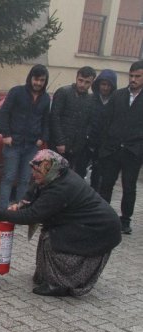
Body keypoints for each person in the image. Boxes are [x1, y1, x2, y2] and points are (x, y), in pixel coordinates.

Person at [0, 150, 121, 297]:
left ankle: (59, 284)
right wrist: (19, 205)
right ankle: (48, 276)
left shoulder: (61, 187)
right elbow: (33, 191)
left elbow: (32, 216)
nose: (34, 175)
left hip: (100, 229)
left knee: (54, 238)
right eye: (34, 171)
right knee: (49, 232)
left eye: (38, 172)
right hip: (87, 223)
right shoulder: (55, 175)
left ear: (49, 170)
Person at [96, 60, 143, 235]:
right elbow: (105, 122)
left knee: (129, 186)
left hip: (133, 151)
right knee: (106, 184)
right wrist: (103, 146)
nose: (133, 79)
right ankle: (103, 216)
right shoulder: (118, 96)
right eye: (131, 75)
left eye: (137, 76)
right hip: (112, 149)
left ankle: (125, 220)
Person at [0, 64, 51, 210]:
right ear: (30, 78)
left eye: (42, 80)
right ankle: (2, 211)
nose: (38, 83)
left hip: (32, 145)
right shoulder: (17, 92)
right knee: (8, 178)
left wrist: (43, 137)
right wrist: (6, 135)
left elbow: (46, 120)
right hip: (13, 143)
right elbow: (4, 114)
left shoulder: (46, 98)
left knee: (25, 180)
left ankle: (20, 212)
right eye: (36, 79)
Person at [50, 66, 96, 178]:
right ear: (76, 78)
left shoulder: (91, 99)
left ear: (91, 83)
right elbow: (54, 118)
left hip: (76, 148)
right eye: (80, 80)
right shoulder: (63, 92)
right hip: (58, 145)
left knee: (67, 179)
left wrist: (84, 139)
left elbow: (89, 122)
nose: (82, 85)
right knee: (52, 178)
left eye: (87, 82)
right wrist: (60, 141)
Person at [86, 69, 117, 191]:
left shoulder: (115, 102)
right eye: (103, 84)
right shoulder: (91, 100)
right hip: (87, 143)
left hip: (104, 145)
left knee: (98, 177)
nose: (105, 88)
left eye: (108, 85)